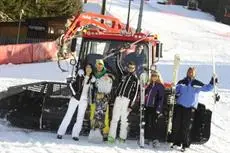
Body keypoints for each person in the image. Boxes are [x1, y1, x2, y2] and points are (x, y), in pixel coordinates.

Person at [171, 67, 217, 152]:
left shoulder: (196, 83)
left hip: (190, 108)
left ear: (195, 74)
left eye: (192, 72)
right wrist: (174, 88)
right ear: (187, 72)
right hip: (180, 106)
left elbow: (207, 88)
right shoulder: (182, 82)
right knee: (177, 125)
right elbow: (176, 91)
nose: (190, 73)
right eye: (189, 71)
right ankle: (176, 142)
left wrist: (213, 81)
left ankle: (185, 144)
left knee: (186, 126)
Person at [57, 64, 95, 141]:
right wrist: (75, 94)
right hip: (75, 99)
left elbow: (92, 91)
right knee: (68, 115)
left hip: (84, 100)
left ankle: (75, 134)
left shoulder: (92, 80)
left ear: (92, 70)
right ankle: (60, 133)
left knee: (80, 118)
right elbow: (71, 84)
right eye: (87, 67)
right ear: (85, 68)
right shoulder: (80, 75)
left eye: (90, 68)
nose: (88, 69)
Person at [108, 55, 139, 143]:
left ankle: (122, 137)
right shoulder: (123, 74)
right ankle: (111, 137)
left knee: (124, 120)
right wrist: (118, 54)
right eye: (129, 67)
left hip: (127, 100)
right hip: (119, 98)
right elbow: (118, 66)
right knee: (114, 118)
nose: (130, 69)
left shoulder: (135, 79)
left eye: (132, 68)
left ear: (134, 68)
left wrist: (131, 106)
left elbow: (135, 93)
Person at [89, 59, 114, 141]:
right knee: (93, 115)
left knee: (105, 116)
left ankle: (105, 132)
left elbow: (109, 87)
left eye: (101, 64)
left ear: (103, 65)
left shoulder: (107, 75)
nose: (99, 66)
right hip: (94, 98)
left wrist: (108, 79)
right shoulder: (94, 74)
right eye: (98, 64)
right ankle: (94, 130)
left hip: (104, 98)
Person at [144, 70, 165, 147]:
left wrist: (158, 108)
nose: (154, 77)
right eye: (153, 76)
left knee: (154, 123)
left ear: (158, 77)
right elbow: (145, 94)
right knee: (146, 122)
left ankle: (155, 139)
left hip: (154, 107)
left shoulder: (160, 86)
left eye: (155, 76)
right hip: (148, 106)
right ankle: (146, 137)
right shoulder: (149, 85)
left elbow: (161, 98)